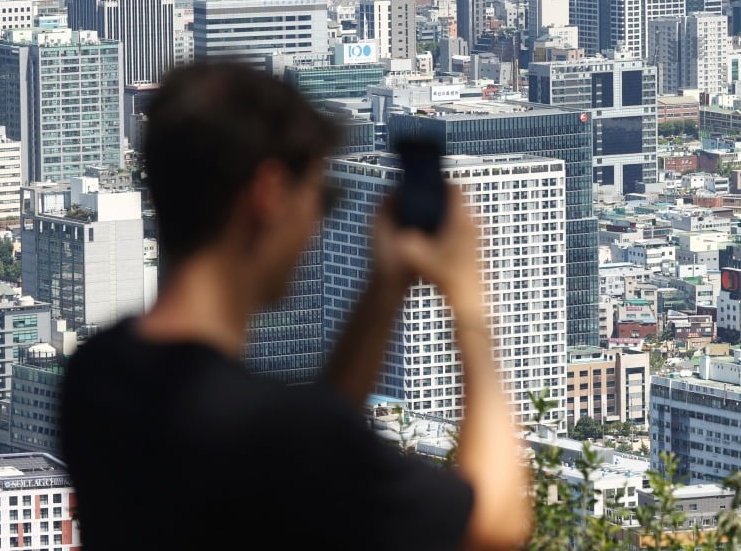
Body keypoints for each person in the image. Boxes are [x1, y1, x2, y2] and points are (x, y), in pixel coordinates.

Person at [61, 62, 530, 551]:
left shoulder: (100, 374)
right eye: (322, 198)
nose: (316, 224)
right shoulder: (273, 433)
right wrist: (470, 306)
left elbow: (320, 438)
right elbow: (494, 525)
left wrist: (385, 288)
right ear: (269, 194)